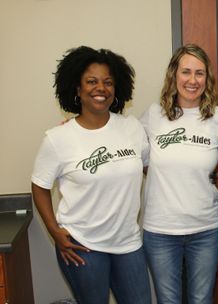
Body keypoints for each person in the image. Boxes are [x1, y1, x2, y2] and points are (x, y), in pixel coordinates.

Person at [31, 46, 151, 304]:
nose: (101, 88)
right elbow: (39, 186)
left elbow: (151, 168)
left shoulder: (132, 128)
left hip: (128, 243)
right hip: (83, 245)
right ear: (77, 88)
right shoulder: (58, 139)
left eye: (108, 82)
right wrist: (55, 231)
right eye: (92, 81)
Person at [140, 44, 218, 304]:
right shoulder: (153, 115)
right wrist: (78, 125)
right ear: (174, 75)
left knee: (201, 300)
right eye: (186, 72)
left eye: (199, 73)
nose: (192, 80)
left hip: (206, 230)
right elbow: (129, 150)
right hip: (160, 230)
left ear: (207, 78)